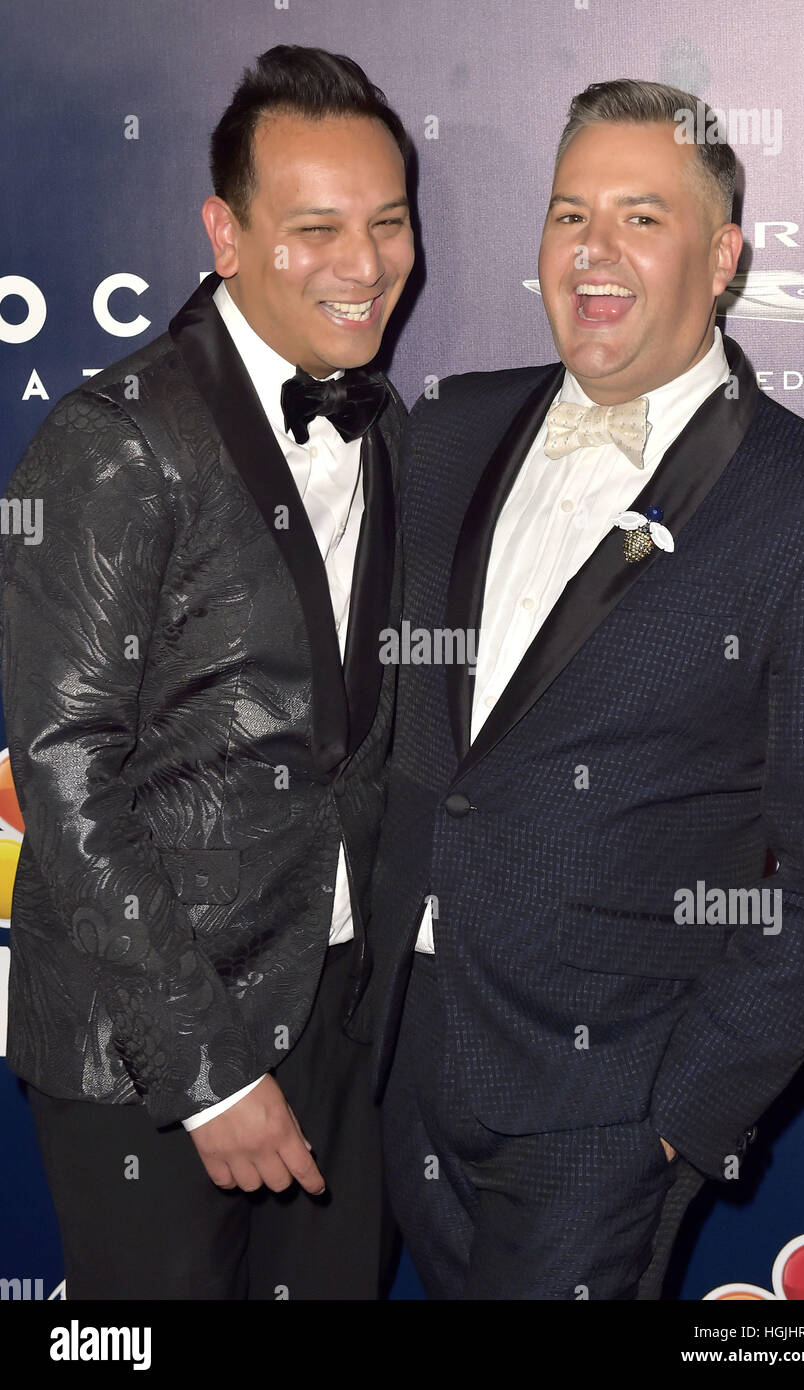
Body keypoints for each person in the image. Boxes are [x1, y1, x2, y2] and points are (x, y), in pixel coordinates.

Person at [369, 78, 804, 1300]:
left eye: (641, 218)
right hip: (399, 1058)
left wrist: (674, 1118)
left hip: (605, 1113)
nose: (592, 250)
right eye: (568, 214)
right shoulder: (445, 426)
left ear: (723, 257)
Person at [0, 44, 414, 1300]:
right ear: (225, 236)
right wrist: (209, 1073)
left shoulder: (387, 425)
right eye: (315, 228)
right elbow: (65, 775)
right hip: (150, 1043)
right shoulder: (116, 437)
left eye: (387, 222)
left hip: (338, 1011)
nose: (363, 265)